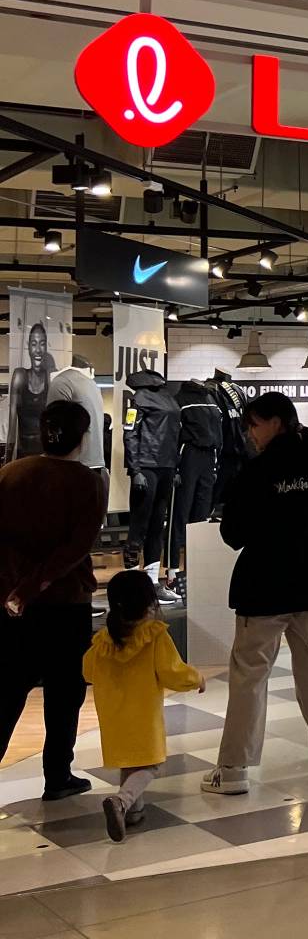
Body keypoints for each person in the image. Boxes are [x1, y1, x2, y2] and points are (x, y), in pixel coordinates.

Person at [201, 392, 308, 796]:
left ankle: (234, 768)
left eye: (254, 424)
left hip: (264, 587)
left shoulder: (259, 470)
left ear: (276, 422)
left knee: (250, 676)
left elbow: (233, 532)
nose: (250, 433)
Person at [0, 400, 106, 799]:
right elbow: (75, 549)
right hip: (65, 603)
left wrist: (13, 590)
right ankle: (57, 776)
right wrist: (33, 586)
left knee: (8, 688)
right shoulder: (86, 482)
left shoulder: (10, 474)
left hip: (12, 604)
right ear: (83, 436)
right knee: (64, 693)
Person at [84, 570, 203, 841]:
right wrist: (197, 678)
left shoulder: (104, 640)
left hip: (112, 716)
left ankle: (133, 812)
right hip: (143, 715)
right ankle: (122, 801)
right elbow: (172, 672)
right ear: (149, 603)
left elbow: (87, 671)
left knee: (129, 762)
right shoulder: (154, 636)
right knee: (149, 764)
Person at [47, 360, 107, 510]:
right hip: (94, 462)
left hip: (73, 464)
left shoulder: (62, 381)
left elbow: (54, 425)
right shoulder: (92, 385)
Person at [7, 319, 56, 458]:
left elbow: (56, 424)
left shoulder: (51, 378)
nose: (38, 350)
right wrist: (7, 460)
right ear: (28, 346)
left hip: (46, 456)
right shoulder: (20, 376)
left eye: (42, 344)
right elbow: (12, 425)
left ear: (46, 346)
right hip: (23, 454)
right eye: (34, 344)